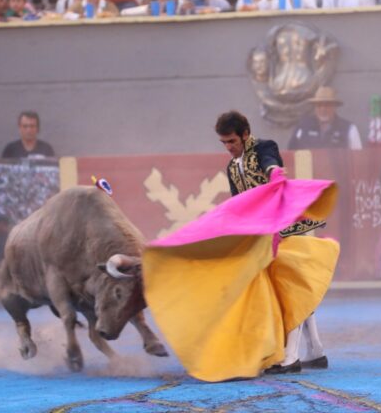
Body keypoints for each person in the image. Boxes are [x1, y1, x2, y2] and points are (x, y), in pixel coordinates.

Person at [142, 110, 337, 380]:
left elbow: (270, 162)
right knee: (291, 286)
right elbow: (238, 205)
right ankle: (315, 350)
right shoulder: (232, 167)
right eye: (224, 143)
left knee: (289, 285)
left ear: (245, 135)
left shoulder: (264, 147)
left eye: (232, 141)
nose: (228, 147)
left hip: (283, 228)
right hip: (260, 235)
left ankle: (291, 357)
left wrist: (274, 172)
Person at [288, 86, 362, 149]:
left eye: (327, 105)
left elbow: (358, 157)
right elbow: (289, 154)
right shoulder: (303, 126)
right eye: (319, 105)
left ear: (335, 107)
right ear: (315, 107)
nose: (323, 109)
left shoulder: (349, 129)